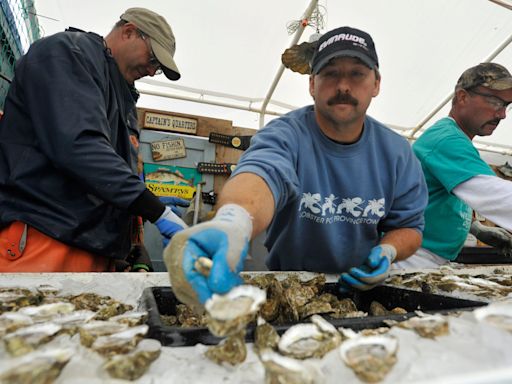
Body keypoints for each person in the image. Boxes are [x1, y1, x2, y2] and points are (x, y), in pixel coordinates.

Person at [165, 26, 428, 309]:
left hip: (361, 291)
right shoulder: (286, 134)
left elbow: (409, 226)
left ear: (376, 84)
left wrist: (388, 250)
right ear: (312, 84)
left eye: (357, 73)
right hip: (287, 288)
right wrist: (235, 219)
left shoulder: (398, 153)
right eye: (330, 73)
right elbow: (264, 171)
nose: (343, 86)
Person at [0, 7, 188, 272]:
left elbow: (114, 173)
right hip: (44, 237)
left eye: (157, 68)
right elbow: (79, 146)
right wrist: (155, 210)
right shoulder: (67, 54)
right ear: (129, 32)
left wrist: (134, 236)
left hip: (94, 249)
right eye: (153, 58)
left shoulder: (122, 97)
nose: (151, 69)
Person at [393, 63, 512, 269]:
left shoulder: (455, 139)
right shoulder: (446, 140)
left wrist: (475, 229)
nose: (502, 114)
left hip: (425, 257)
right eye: (494, 101)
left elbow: (436, 199)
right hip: (410, 260)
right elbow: (496, 196)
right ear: (463, 97)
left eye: (506, 105)